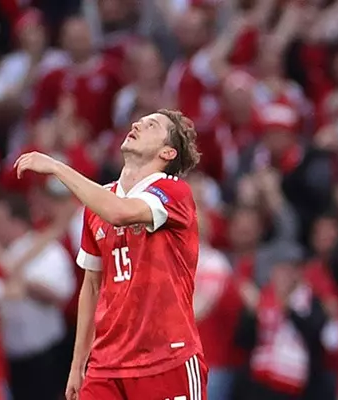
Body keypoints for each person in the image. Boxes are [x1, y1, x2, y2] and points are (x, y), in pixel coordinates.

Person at [13, 109, 207, 400]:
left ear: (167, 152)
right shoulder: (97, 203)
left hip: (165, 358)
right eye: (139, 121)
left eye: (151, 125)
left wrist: (57, 167)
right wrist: (78, 364)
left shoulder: (174, 192)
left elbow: (119, 212)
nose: (137, 124)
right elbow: (91, 286)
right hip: (106, 365)